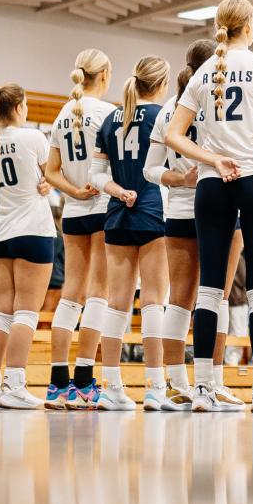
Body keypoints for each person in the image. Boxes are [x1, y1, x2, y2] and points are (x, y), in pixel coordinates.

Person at [163, 0, 253, 412]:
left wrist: (211, 158)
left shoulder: (202, 72)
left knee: (210, 289)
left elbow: (174, 136)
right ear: (249, 26)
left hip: (213, 183)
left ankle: (201, 389)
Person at [88, 57, 171, 411]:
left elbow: (95, 174)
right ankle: (155, 387)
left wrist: (117, 192)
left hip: (117, 213)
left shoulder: (110, 118)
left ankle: (111, 386)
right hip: (153, 210)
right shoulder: (161, 116)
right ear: (162, 84)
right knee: (154, 300)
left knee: (116, 304)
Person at [43, 49, 116, 408]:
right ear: (104, 75)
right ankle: (85, 381)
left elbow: (50, 170)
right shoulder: (108, 113)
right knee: (98, 293)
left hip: (73, 211)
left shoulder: (61, 114)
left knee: (71, 292)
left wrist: (73, 190)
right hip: (103, 207)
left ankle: (57, 383)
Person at [145, 41, 216, 407]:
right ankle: (207, 382)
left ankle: (177, 382)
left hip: (180, 212)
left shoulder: (169, 110)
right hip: (212, 210)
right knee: (210, 296)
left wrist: (175, 180)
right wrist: (183, 180)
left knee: (180, 301)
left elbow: (150, 169)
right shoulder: (212, 104)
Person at [0, 86, 54, 410]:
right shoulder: (34, 138)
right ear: (20, 107)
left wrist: (44, 181)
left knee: (3, 313)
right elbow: (56, 176)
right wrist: (49, 183)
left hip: (2, 233)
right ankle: (15, 385)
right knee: (26, 312)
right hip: (33, 230)